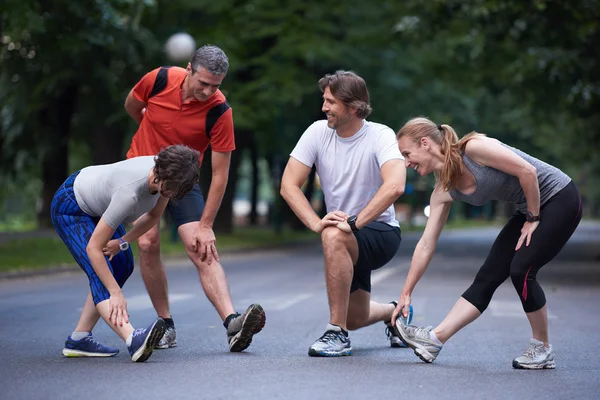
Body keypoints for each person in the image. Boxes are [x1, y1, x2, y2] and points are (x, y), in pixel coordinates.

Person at [392, 117, 582, 369]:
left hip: (559, 197)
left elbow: (528, 171)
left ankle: (542, 348)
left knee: (522, 270)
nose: (406, 163)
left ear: (425, 143)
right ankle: (435, 340)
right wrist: (406, 292)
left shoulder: (474, 148)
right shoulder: (443, 191)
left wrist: (533, 217)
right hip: (529, 208)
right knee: (487, 276)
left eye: (407, 153)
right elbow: (426, 244)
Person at [123, 44, 265, 352]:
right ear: (188, 68)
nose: (209, 90)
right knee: (147, 243)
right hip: (142, 172)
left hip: (185, 180)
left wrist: (207, 224)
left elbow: (221, 174)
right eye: (203, 83)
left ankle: (232, 323)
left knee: (201, 246)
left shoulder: (219, 110)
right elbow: (132, 105)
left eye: (216, 85)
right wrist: (149, 128)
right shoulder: (158, 79)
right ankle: (166, 325)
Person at [280, 70, 410, 357]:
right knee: (356, 317)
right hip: (346, 235)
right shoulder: (317, 132)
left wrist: (354, 222)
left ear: (353, 108)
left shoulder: (380, 135)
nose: (324, 107)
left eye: (331, 102)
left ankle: (336, 333)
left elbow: (396, 185)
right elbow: (289, 185)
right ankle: (395, 312)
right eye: (324, 100)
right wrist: (315, 223)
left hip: (380, 232)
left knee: (334, 233)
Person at [51, 145, 201, 362]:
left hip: (100, 206)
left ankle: (79, 338)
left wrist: (122, 242)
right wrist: (116, 293)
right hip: (71, 207)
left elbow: (152, 217)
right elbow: (93, 249)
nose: (174, 195)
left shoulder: (169, 175)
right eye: (174, 189)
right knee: (101, 270)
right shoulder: (129, 193)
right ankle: (133, 339)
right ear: (161, 175)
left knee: (123, 264)